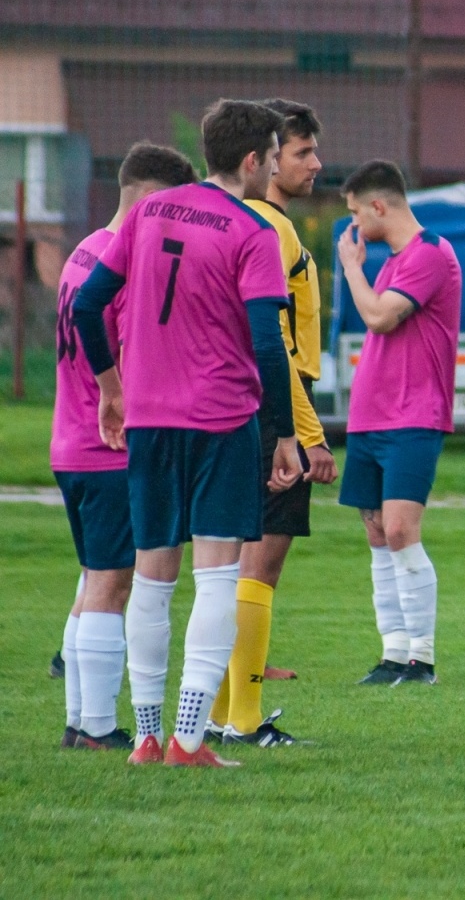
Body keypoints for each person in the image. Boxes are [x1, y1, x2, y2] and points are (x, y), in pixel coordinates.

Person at [74, 100, 303, 768]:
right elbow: (268, 340)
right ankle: (190, 739)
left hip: (148, 422)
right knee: (218, 578)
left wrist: (112, 388)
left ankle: (145, 738)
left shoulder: (148, 212)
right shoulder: (252, 231)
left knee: (152, 579)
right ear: (254, 160)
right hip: (220, 421)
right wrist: (284, 433)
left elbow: (91, 305)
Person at [51, 142, 197, 752]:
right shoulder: (124, 268)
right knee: (114, 586)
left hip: (69, 444)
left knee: (94, 582)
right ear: (150, 199)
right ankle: (99, 728)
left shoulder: (81, 253)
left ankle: (79, 722)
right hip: (107, 447)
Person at [208, 98, 338, 746]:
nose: (315, 163)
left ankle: (224, 710)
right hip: (274, 406)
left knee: (240, 566)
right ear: (264, 159)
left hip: (259, 401)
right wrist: (307, 433)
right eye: (302, 152)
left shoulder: (256, 222)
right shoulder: (268, 228)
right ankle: (242, 719)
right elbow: (276, 341)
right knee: (258, 565)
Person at [336, 160, 462, 688]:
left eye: (354, 213)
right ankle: (392, 653)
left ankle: (422, 659)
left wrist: (349, 268)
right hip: (371, 414)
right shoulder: (390, 262)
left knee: (400, 529)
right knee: (375, 533)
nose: (353, 226)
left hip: (414, 414)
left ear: (378, 207)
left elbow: (380, 316)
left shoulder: (431, 254)